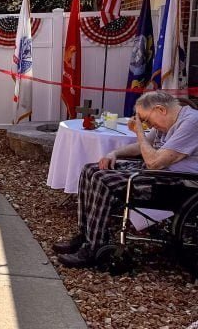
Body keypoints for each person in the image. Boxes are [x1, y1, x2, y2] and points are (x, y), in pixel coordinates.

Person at [53, 91, 198, 268]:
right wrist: (114, 153)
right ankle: (86, 235)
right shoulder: (167, 122)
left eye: (147, 120)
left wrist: (139, 132)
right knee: (90, 169)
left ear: (161, 110)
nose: (147, 124)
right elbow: (142, 147)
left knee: (101, 178)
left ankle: (94, 247)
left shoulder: (191, 122)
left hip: (177, 183)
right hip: (160, 174)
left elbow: (153, 162)